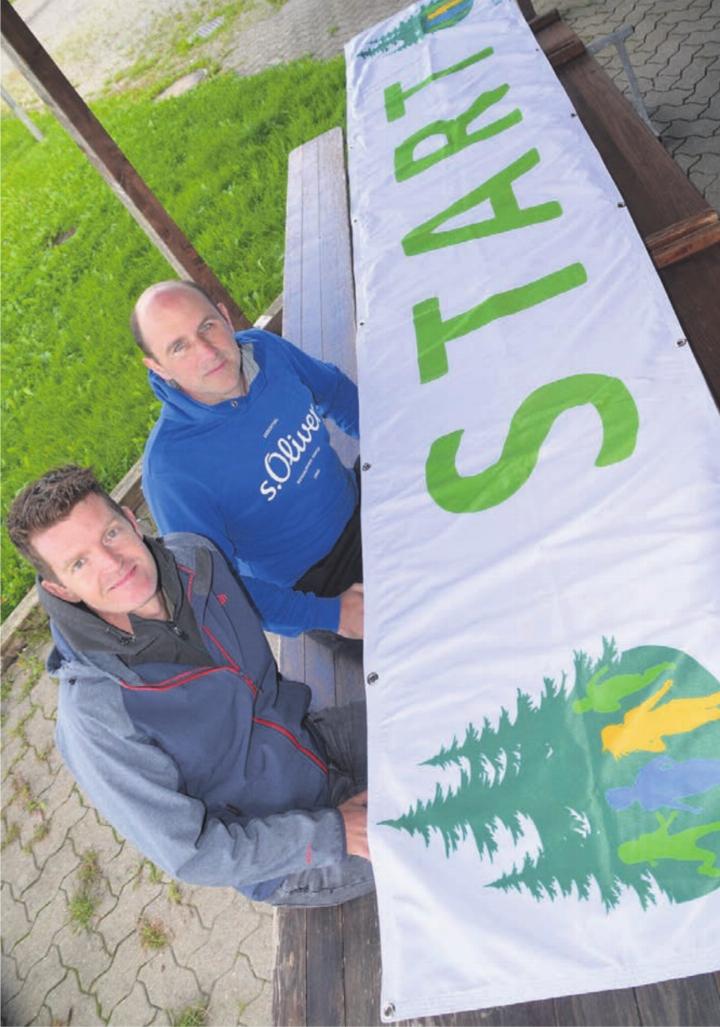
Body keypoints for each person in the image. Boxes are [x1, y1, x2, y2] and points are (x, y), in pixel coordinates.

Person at [6, 466, 372, 905]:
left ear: (131, 519)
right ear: (61, 589)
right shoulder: (96, 716)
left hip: (313, 739)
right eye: (79, 563)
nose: (114, 564)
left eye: (110, 535)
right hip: (282, 853)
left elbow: (262, 601)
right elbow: (192, 853)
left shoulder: (196, 559)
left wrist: (332, 613)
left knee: (438, 722)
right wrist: (333, 833)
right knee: (437, 840)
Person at [132, 280, 364, 638]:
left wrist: (389, 442)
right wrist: (332, 615)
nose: (208, 352)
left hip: (365, 501)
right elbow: (219, 589)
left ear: (224, 316)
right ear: (158, 367)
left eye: (207, 326)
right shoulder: (171, 470)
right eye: (179, 347)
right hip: (321, 587)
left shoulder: (264, 350)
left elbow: (333, 391)